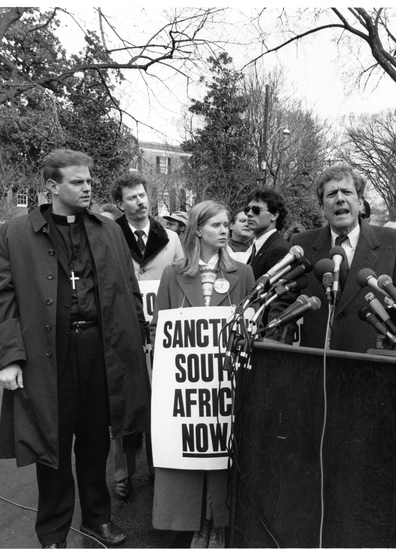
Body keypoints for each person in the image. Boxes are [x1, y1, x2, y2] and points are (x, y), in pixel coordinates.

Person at [0, 149, 150, 549]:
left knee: (95, 441)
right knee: (52, 447)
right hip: (48, 353)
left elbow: (128, 288)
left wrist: (139, 337)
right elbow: (1, 298)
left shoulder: (108, 230)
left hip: (100, 350)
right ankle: (54, 533)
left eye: (89, 180)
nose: (88, 187)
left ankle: (97, 519)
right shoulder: (15, 233)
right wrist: (7, 357)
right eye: (77, 182)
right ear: (52, 187)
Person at [150, 200, 255, 549]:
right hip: (188, 384)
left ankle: (220, 522)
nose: (225, 230)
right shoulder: (173, 273)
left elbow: (253, 326)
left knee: (223, 451)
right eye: (217, 226)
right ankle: (197, 524)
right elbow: (158, 330)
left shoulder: (243, 273)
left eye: (227, 224)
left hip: (226, 382)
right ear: (197, 230)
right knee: (192, 451)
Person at [288, 163, 396, 352]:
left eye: (347, 192)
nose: (340, 199)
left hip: (373, 367)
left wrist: (393, 357)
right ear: (321, 207)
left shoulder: (394, 243)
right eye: (331, 194)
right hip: (316, 366)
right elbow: (284, 304)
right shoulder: (302, 244)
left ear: (360, 202)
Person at [108, 173, 184, 500]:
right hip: (124, 332)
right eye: (132, 198)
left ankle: (159, 467)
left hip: (163, 333)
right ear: (119, 204)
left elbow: (182, 282)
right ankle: (123, 474)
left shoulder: (170, 238)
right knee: (124, 404)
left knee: (160, 401)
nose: (140, 202)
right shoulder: (109, 237)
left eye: (142, 195)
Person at [244, 187, 290, 280]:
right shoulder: (258, 247)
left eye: (256, 210)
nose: (249, 213)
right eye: (247, 209)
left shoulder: (279, 249)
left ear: (274, 215)